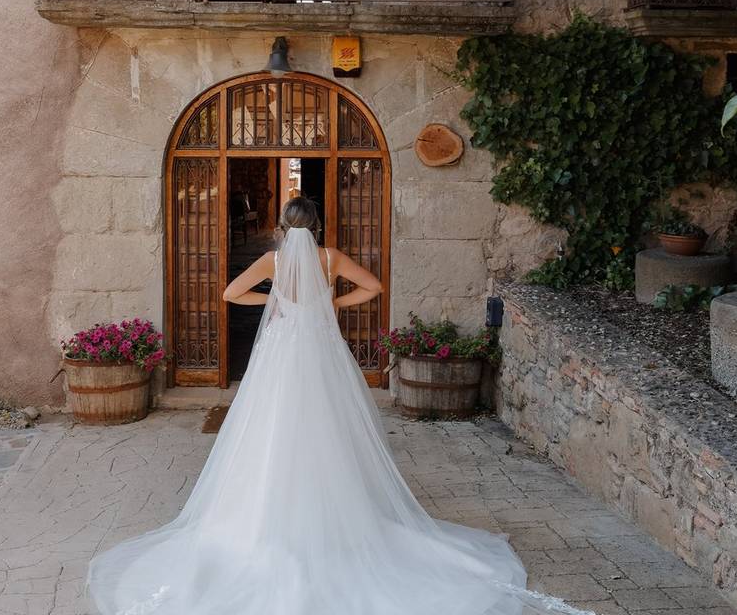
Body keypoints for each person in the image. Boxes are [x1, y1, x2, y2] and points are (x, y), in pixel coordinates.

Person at [87, 197, 595, 615]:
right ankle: (339, 513)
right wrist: (330, 303)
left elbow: (229, 292)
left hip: (282, 352)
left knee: (270, 428)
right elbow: (373, 288)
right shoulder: (329, 259)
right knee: (329, 426)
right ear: (319, 225)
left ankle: (267, 514)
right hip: (321, 351)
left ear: (283, 227)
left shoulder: (276, 260)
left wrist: (275, 301)